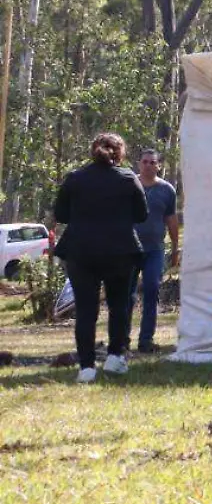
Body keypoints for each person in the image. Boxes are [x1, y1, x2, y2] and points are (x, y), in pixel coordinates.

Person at [51, 132, 149, 383]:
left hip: (81, 251)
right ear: (120, 153)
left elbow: (61, 214)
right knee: (118, 306)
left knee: (85, 310)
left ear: (93, 151)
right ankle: (115, 358)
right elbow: (141, 215)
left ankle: (86, 367)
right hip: (120, 251)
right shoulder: (128, 178)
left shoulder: (75, 178)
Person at [129, 149, 180, 353]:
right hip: (129, 249)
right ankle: (121, 341)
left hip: (155, 250)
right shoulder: (129, 185)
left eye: (153, 162)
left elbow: (171, 220)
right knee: (127, 295)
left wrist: (175, 247)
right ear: (139, 164)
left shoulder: (167, 190)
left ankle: (145, 340)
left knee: (152, 289)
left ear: (159, 165)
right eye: (145, 162)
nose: (149, 165)